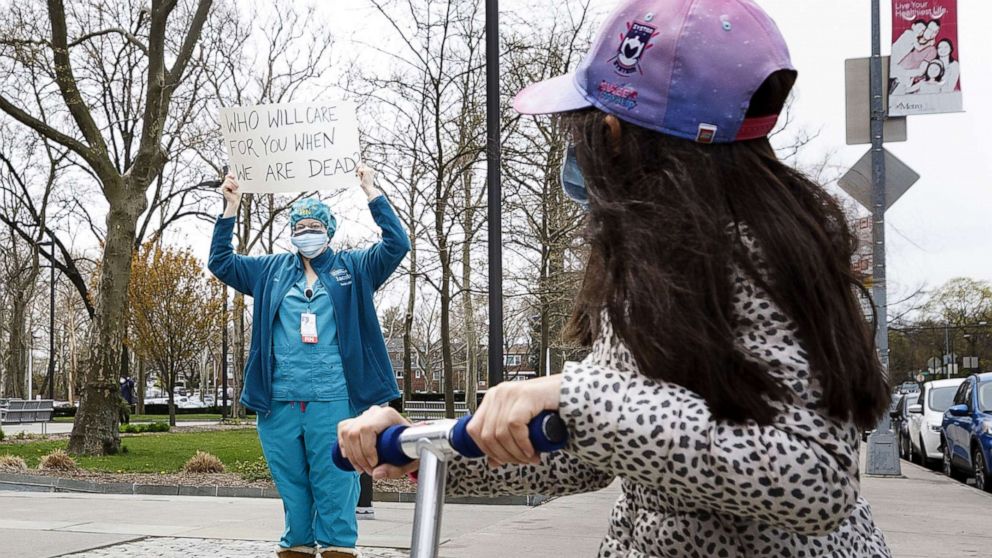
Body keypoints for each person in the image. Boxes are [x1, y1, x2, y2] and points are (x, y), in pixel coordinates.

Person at [337, 1, 893, 556]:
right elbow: (601, 444)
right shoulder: (652, 260)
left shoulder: (763, 252)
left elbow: (817, 479)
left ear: (614, 133)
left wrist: (575, 394)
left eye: (583, 130)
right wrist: (424, 455)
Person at [208, 163, 409, 558]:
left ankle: (338, 547)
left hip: (334, 401)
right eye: (299, 228)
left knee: (336, 483)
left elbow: (396, 245)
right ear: (291, 234)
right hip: (280, 402)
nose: (307, 234)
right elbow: (222, 262)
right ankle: (296, 545)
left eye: (315, 227)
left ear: (329, 230)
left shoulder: (354, 267)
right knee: (293, 488)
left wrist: (372, 192)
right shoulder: (270, 270)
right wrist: (229, 208)